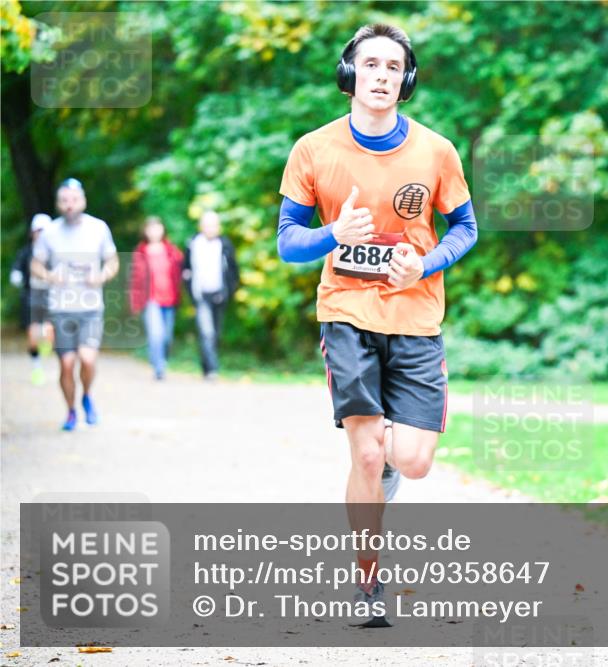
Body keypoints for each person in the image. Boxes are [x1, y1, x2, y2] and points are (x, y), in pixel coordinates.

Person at [276, 23, 477, 626]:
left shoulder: (436, 151)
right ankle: (368, 586)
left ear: (406, 79)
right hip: (345, 312)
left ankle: (384, 459)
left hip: (416, 317)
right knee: (364, 455)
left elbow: (465, 230)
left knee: (410, 461)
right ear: (350, 74)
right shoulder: (313, 149)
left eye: (394, 66)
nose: (382, 75)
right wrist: (333, 235)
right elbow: (289, 243)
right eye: (372, 64)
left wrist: (425, 261)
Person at [31, 178, 119, 431]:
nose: (70, 205)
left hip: (91, 308)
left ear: (83, 200)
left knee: (87, 359)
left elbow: (113, 262)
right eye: (64, 201)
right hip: (60, 308)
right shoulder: (50, 232)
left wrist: (100, 276)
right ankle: (71, 411)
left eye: (74, 200)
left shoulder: (98, 228)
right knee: (67, 364)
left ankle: (87, 396)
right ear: (59, 204)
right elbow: (36, 264)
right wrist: (49, 276)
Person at [182, 210, 239, 380]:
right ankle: (213, 370)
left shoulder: (225, 245)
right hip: (200, 295)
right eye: (207, 225)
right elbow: (185, 269)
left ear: (218, 227)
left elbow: (233, 270)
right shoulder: (192, 243)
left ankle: (206, 367)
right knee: (207, 332)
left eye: (213, 225)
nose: (210, 228)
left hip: (219, 294)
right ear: (201, 226)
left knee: (215, 333)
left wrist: (229, 290)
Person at [129, 216, 184, 380]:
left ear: (162, 230)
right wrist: (134, 302)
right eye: (150, 228)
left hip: (170, 298)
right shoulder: (140, 252)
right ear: (145, 231)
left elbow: (182, 271)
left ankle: (162, 360)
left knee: (167, 336)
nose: (154, 232)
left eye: (157, 228)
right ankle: (159, 368)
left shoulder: (172, 251)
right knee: (156, 334)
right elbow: (134, 279)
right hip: (150, 299)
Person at [10, 213, 55, 385]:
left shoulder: (55, 252)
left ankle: (45, 350)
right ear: (32, 232)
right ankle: (36, 367)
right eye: (38, 230)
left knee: (49, 331)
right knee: (33, 333)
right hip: (31, 295)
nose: (41, 234)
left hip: (52, 296)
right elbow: (17, 268)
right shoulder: (26, 252)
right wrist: (17, 275)